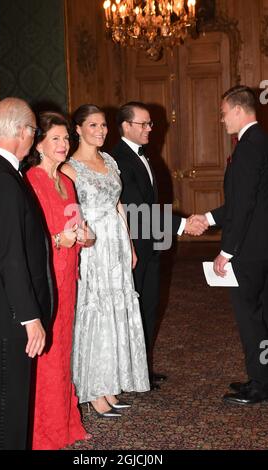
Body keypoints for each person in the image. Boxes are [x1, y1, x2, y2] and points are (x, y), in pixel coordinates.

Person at [0, 97, 53, 450]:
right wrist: (29, 316)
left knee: (7, 408)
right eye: (34, 131)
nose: (34, 139)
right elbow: (10, 257)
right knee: (8, 412)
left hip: (3, 312)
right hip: (9, 316)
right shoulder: (2, 179)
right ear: (21, 131)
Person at [61, 104, 150, 417]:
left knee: (117, 309)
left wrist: (130, 244)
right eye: (93, 125)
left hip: (116, 243)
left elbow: (119, 204)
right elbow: (68, 213)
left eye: (103, 126)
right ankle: (94, 390)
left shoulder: (110, 160)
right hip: (92, 246)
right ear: (78, 129)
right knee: (97, 311)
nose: (100, 131)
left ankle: (111, 384)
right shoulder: (69, 168)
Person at [111, 101, 207, 388]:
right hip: (133, 249)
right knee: (134, 310)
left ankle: (143, 371)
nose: (150, 128)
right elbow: (138, 208)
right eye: (144, 123)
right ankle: (130, 374)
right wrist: (182, 224)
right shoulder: (117, 159)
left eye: (150, 123)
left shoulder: (145, 155)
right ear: (126, 126)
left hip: (150, 244)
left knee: (149, 307)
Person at [194, 85, 268, 404]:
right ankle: (262, 377)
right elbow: (244, 202)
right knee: (261, 315)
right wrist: (208, 218)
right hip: (260, 246)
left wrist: (227, 252)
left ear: (238, 110)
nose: (222, 120)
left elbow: (244, 205)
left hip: (250, 250)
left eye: (223, 113)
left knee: (250, 318)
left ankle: (260, 384)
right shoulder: (258, 142)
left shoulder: (250, 145)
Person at [25, 111, 92, 449]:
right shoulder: (31, 181)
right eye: (56, 139)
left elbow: (75, 223)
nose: (64, 144)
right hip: (46, 277)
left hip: (69, 276)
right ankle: (44, 430)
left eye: (66, 138)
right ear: (39, 144)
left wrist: (84, 234)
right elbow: (30, 237)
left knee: (64, 350)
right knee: (48, 353)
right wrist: (56, 240)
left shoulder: (67, 182)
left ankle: (65, 423)